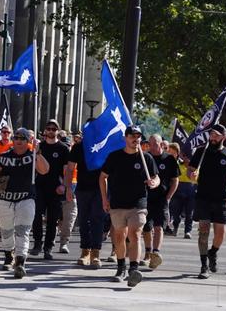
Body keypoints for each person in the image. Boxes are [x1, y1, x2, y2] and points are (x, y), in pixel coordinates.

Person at [99, 125, 159, 287]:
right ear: (125, 138)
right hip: (117, 204)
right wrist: (105, 199)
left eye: (138, 136)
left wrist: (154, 183)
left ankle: (134, 270)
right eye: (132, 136)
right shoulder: (114, 157)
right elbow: (103, 177)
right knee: (119, 236)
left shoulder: (146, 158)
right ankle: (121, 268)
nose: (136, 139)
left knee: (135, 233)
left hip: (138, 204)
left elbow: (155, 177)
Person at [0, 128, 49, 278]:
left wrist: (38, 152)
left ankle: (20, 262)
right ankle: (9, 254)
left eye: (23, 138)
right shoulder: (4, 157)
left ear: (28, 141)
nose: (19, 141)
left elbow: (45, 170)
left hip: (26, 199)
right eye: (17, 138)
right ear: (13, 140)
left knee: (23, 231)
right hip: (6, 199)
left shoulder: (33, 156)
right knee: (6, 231)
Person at [188, 124, 226, 279]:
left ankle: (213, 252)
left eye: (217, 135)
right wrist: (192, 174)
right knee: (203, 231)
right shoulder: (201, 152)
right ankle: (204, 266)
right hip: (203, 197)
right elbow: (190, 169)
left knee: (220, 233)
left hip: (221, 199)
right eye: (212, 134)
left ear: (223, 137)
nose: (213, 137)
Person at [66, 126, 104, 268]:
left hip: (100, 189)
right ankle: (85, 251)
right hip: (82, 188)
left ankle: (96, 253)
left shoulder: (104, 145)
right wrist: (68, 187)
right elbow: (70, 168)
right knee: (83, 220)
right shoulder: (78, 147)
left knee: (97, 220)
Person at [32, 119, 71, 259]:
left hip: (55, 188)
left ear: (57, 131)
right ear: (44, 131)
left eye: (53, 129)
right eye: (48, 128)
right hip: (39, 186)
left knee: (52, 219)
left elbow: (67, 170)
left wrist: (64, 186)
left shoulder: (63, 148)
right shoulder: (39, 147)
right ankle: (37, 243)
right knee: (36, 215)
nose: (50, 131)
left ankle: (48, 247)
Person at [141, 134, 180, 269]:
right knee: (146, 227)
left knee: (159, 226)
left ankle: (155, 253)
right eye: (149, 144)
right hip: (146, 197)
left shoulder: (169, 159)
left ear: (161, 144)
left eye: (154, 144)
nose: (151, 147)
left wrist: (169, 197)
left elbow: (175, 180)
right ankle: (147, 252)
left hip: (162, 198)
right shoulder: (145, 157)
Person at [168, 144, 196, 238]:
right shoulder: (177, 165)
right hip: (178, 192)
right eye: (185, 156)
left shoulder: (196, 168)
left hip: (191, 192)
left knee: (189, 213)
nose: (187, 158)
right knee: (176, 213)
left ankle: (187, 231)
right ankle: (175, 227)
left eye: (189, 157)